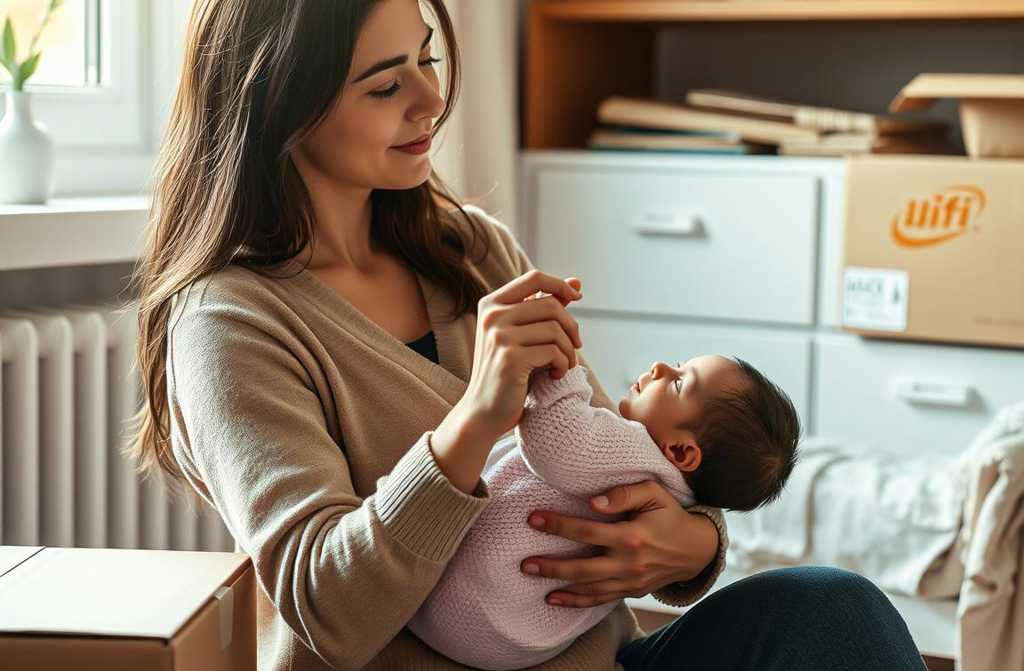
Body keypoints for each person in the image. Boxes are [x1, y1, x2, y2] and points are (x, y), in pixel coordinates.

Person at [126, 1, 929, 669]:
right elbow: (327, 610)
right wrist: (474, 418)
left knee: (840, 610)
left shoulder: (470, 247)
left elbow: (622, 442)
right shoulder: (229, 321)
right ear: (280, 104)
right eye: (383, 85)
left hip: (598, 660)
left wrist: (691, 543)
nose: (429, 100)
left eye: (426, 59)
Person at [409, 355, 801, 669]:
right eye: (679, 364)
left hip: (464, 606)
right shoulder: (677, 495)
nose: (661, 367)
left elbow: (554, 437)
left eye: (679, 382)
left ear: (682, 452)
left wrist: (561, 369)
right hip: (515, 643)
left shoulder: (633, 450)